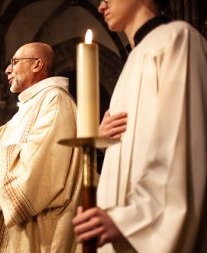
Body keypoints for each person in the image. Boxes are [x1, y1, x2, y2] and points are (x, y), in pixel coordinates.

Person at [72, 0, 207, 252]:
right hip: (115, 218)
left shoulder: (177, 39)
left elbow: (182, 146)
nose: (101, 7)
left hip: (144, 226)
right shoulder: (132, 62)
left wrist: (130, 221)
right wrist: (102, 142)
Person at [0, 42, 82, 252]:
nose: (8, 69)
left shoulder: (55, 101)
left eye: (14, 62)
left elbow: (42, 162)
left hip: (34, 232)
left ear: (37, 64)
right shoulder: (27, 109)